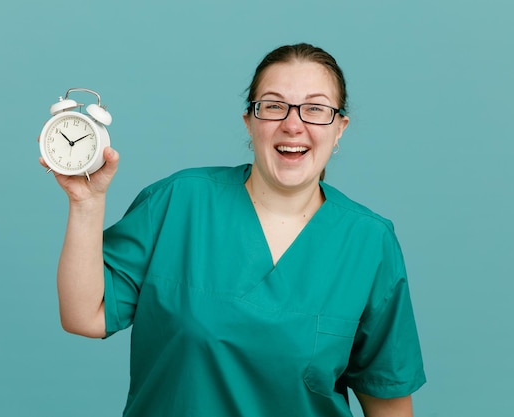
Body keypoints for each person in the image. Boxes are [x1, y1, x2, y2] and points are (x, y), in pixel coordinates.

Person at [41, 43, 426, 417]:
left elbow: (388, 403)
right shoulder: (179, 202)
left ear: (339, 127)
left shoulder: (369, 243)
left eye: (315, 109)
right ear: (249, 121)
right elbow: (85, 315)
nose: (294, 125)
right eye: (274, 106)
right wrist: (85, 203)